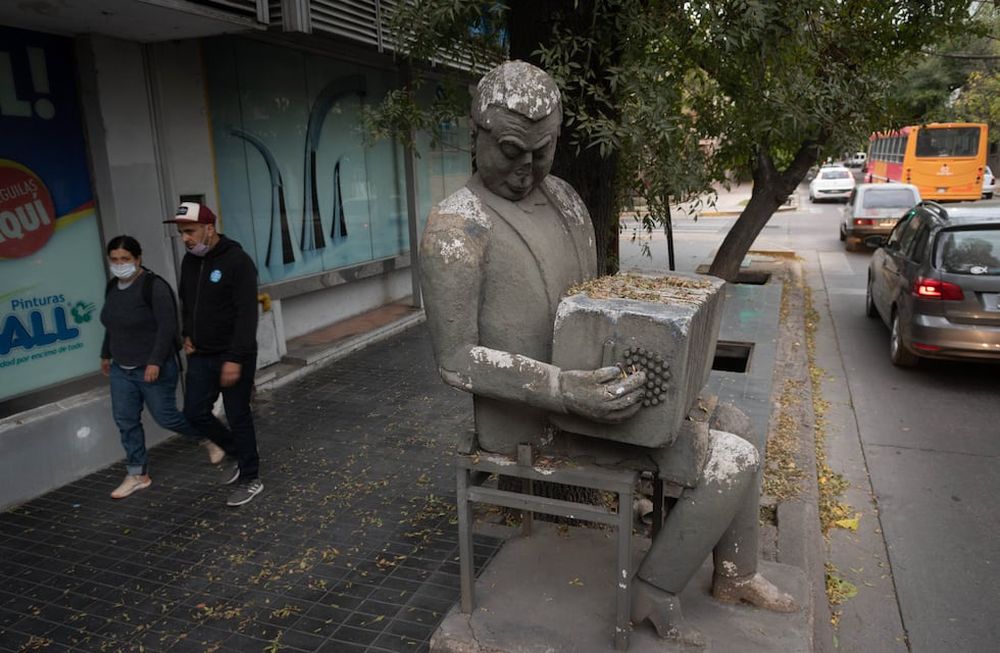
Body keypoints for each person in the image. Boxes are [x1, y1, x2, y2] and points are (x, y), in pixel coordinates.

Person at [419, 61, 794, 646]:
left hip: (589, 390)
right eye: (512, 150)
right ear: (478, 134)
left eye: (542, 152)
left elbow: (591, 303)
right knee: (732, 459)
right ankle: (654, 592)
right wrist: (563, 389)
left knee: (740, 422)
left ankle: (736, 573)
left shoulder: (565, 199)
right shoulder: (457, 227)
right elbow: (455, 358)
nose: (528, 169)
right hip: (530, 418)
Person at [100, 235, 224, 500]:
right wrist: (105, 354)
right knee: (125, 420)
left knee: (165, 416)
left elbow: (167, 327)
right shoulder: (112, 288)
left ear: (138, 259)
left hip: (153, 366)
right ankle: (137, 474)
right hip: (123, 368)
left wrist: (155, 361)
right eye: (114, 259)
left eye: (125, 259)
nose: (120, 264)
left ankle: (210, 435)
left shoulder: (153, 286)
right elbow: (112, 324)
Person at [164, 202, 263, 507]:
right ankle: (236, 451)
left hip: (234, 355)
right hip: (201, 354)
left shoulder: (237, 261)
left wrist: (235, 357)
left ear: (209, 228)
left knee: (238, 414)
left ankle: (250, 477)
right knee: (194, 412)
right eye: (181, 233)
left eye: (190, 231)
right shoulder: (190, 262)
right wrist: (186, 335)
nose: (185, 239)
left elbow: (247, 315)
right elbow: (187, 304)